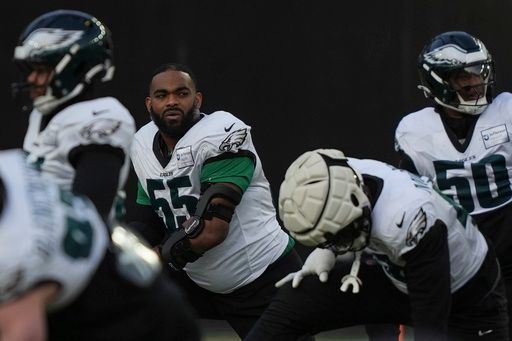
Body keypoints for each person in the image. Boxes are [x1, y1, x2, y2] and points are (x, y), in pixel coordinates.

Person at [244, 148, 509, 341]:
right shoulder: (340, 175)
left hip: (464, 294)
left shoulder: (407, 217)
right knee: (295, 299)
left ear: (358, 201)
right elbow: (335, 212)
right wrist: (327, 248)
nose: (341, 244)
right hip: (393, 272)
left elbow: (431, 317)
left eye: (340, 235)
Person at [128, 62, 312, 339]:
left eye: (181, 93)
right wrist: (123, 254)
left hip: (261, 277)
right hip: (196, 279)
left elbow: (211, 230)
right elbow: (149, 219)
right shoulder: (142, 143)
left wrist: (151, 257)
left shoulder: (221, 133)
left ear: (197, 99)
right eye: (162, 95)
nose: (172, 102)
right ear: (149, 103)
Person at [0, 149, 201, 341]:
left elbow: (22, 332)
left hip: (133, 322)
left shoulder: (17, 253)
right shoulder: (10, 168)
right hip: (136, 283)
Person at [394, 30, 512, 336]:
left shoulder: (507, 111)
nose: (475, 83)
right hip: (462, 265)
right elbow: (409, 202)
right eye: (463, 76)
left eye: (478, 72)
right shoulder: (415, 132)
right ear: (439, 81)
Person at [12, 9, 135, 222]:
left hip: (79, 248)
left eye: (41, 70)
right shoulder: (41, 116)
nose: (31, 78)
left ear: (75, 68)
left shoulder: (100, 116)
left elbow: (90, 215)